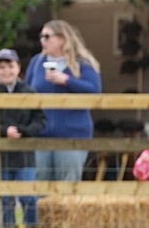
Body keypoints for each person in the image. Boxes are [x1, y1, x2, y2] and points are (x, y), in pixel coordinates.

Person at [25, 20, 102, 181]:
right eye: (41, 37)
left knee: (68, 183)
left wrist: (67, 81)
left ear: (62, 39)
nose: (42, 41)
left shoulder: (83, 63)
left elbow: (95, 91)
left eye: (47, 36)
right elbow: (27, 93)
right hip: (41, 133)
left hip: (72, 134)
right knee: (39, 181)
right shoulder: (37, 62)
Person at [0, 48, 47, 228]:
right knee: (5, 198)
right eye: (1, 67)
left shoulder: (29, 92)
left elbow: (40, 120)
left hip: (24, 153)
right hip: (0, 154)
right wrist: (5, 131)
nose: (6, 71)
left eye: (10, 66)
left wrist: (24, 131)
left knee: (28, 196)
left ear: (18, 67)